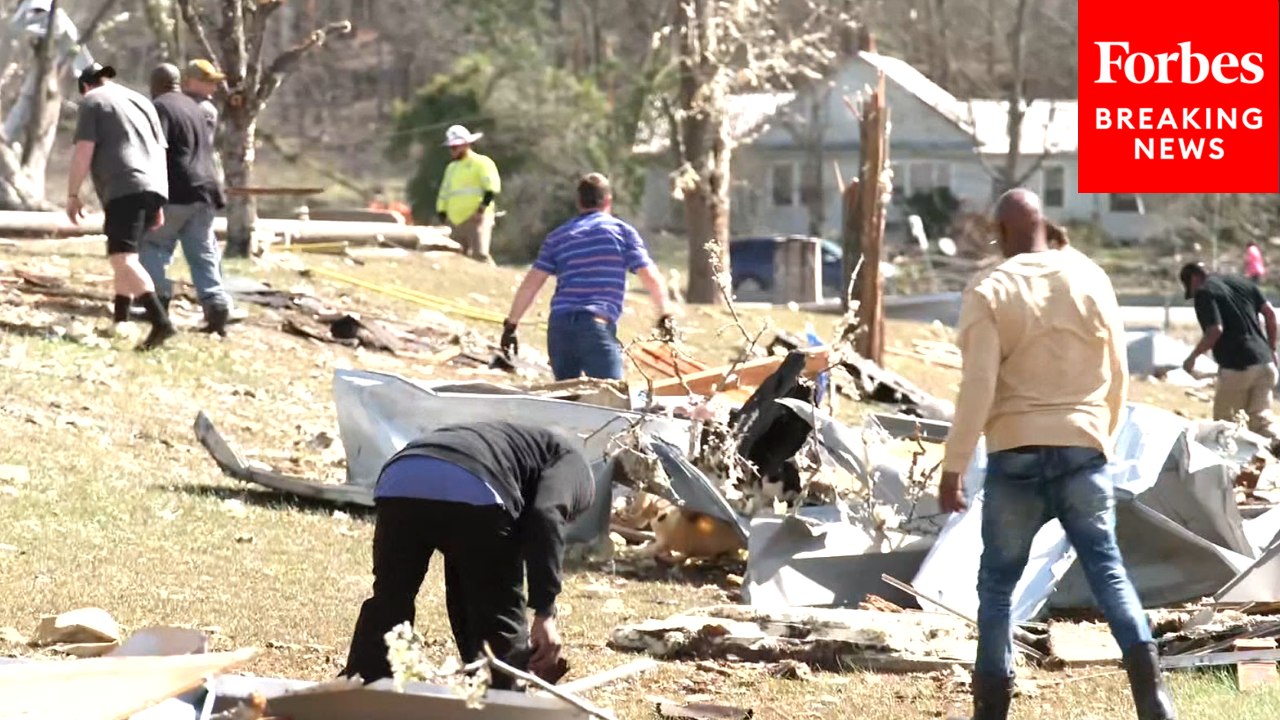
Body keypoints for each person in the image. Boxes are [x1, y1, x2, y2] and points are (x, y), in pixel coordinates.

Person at [941, 189, 1174, 720]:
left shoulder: (990, 287)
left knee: (998, 583)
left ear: (999, 233)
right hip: (1083, 449)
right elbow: (1118, 370)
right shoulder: (1090, 277)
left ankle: (991, 707)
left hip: (1014, 452)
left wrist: (954, 464)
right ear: (1046, 223)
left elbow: (977, 384)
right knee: (1109, 571)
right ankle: (1151, 693)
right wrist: (1102, 438)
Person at [341, 421, 594, 688]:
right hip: (475, 481)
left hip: (401, 475)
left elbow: (468, 577)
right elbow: (546, 515)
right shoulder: (574, 465)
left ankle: (363, 686)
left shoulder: (510, 444)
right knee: (498, 615)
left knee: (390, 598)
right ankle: (504, 702)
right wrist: (545, 612)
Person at [502, 173, 674, 381]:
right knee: (610, 401)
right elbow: (650, 276)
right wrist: (665, 314)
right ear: (608, 200)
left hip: (559, 328)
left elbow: (532, 283)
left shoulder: (558, 237)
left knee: (568, 401)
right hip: (594, 326)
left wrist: (511, 325)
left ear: (579, 202)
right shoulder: (621, 232)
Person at [66, 62, 176, 350]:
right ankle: (120, 319)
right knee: (129, 257)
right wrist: (158, 199)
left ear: (86, 86)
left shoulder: (93, 101)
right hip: (153, 184)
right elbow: (160, 150)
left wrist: (73, 194)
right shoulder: (142, 101)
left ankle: (160, 322)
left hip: (124, 185)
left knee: (122, 259)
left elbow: (84, 150)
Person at [139, 64, 233, 335]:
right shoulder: (199, 108)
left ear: (155, 85)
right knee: (202, 250)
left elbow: (158, 148)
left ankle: (158, 299)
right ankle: (215, 302)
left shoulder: (159, 108)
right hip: (206, 189)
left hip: (177, 189)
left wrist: (148, 190)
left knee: (154, 245)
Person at [1180, 262, 1280, 443]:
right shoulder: (1243, 282)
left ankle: (1227, 470)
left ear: (1194, 278)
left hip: (1238, 367)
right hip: (1266, 364)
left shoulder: (1204, 291)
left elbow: (1215, 330)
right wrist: (1272, 349)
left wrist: (1193, 357)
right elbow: (1270, 314)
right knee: (1261, 423)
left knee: (1223, 427)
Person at [436, 125, 500, 262]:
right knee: (457, 258)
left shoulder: (482, 162)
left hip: (476, 219)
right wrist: (442, 213)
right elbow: (444, 193)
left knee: (480, 255)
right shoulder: (451, 168)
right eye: (451, 147)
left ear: (466, 145)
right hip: (455, 221)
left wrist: (481, 210)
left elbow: (492, 187)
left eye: (455, 147)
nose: (452, 150)